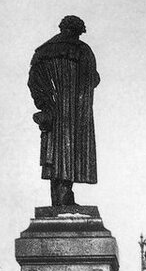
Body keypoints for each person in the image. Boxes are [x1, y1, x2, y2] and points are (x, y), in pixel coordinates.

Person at [28, 14, 99, 207]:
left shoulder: (42, 52)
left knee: (55, 154)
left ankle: (60, 197)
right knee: (71, 152)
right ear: (78, 30)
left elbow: (34, 82)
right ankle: (65, 195)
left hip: (54, 111)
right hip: (76, 113)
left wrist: (45, 104)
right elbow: (93, 79)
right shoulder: (83, 50)